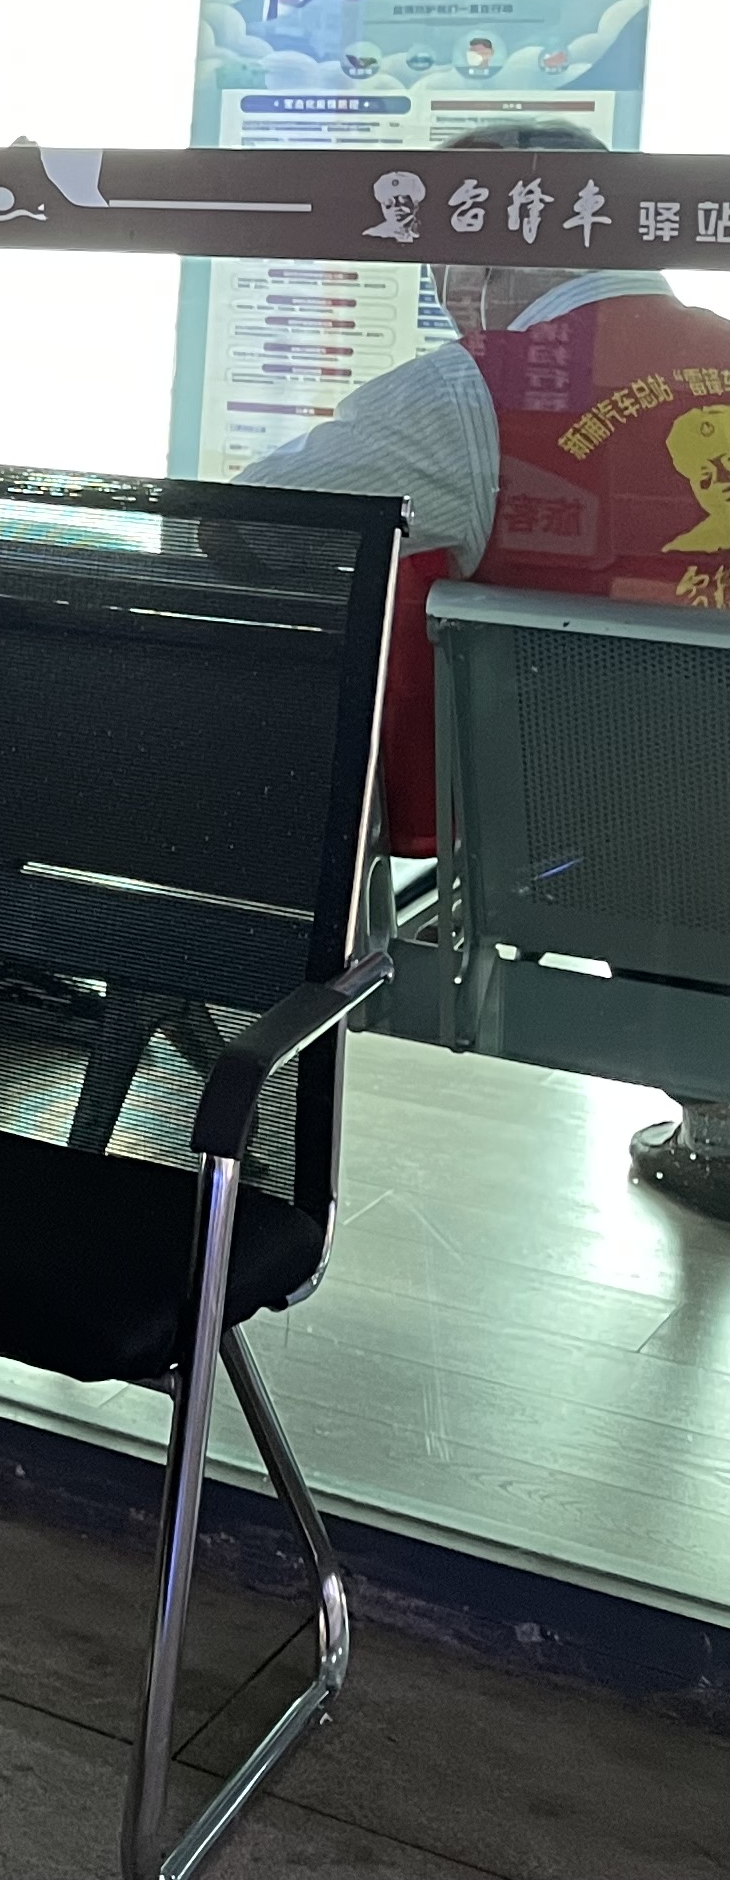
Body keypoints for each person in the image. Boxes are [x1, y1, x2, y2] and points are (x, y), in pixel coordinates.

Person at [239, 119, 730, 1217]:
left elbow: (247, 524)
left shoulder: (475, 393)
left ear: (485, 255)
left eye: (439, 266)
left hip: (590, 860)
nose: (444, 293)